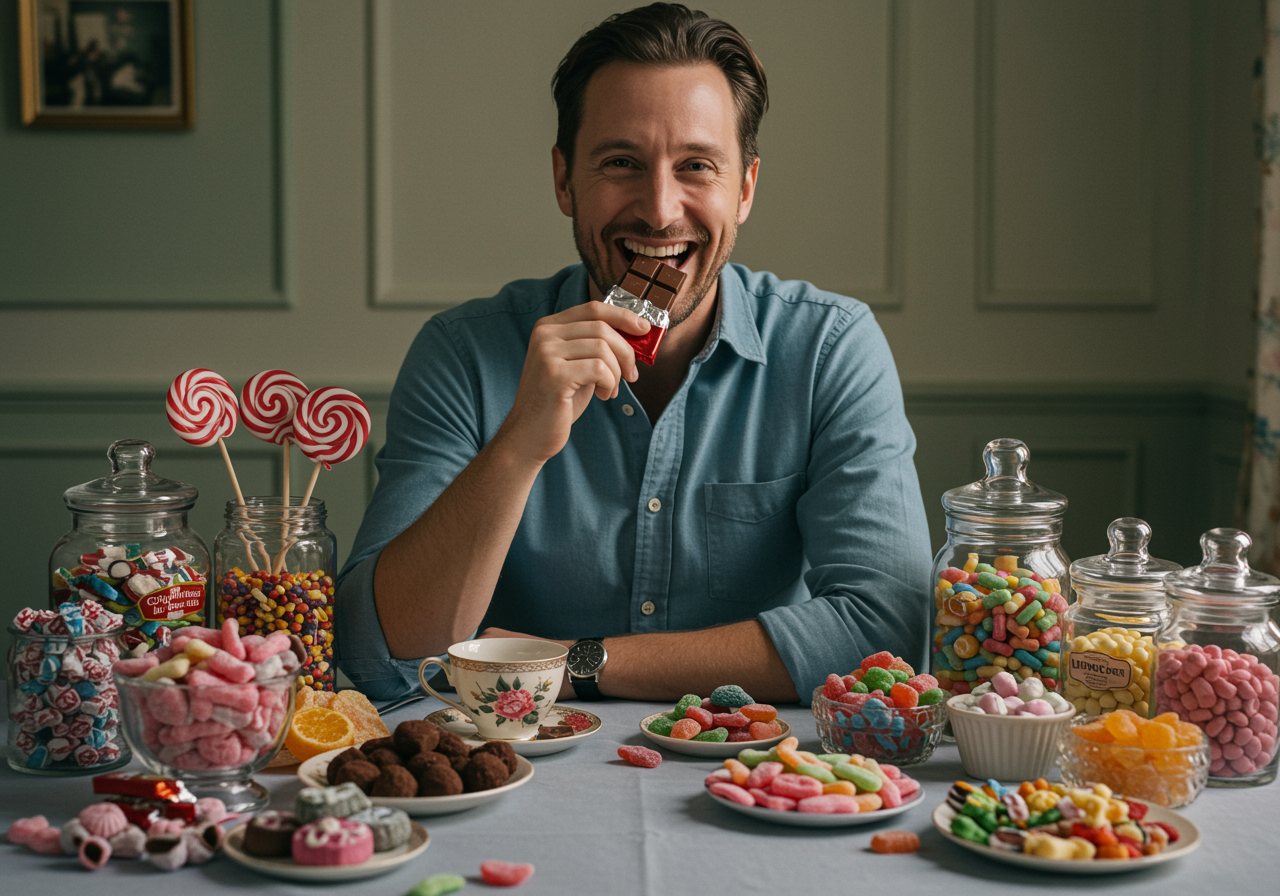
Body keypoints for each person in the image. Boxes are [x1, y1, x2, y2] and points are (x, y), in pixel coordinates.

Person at [335, 3, 932, 703]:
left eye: (696, 167)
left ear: (744, 190)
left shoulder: (830, 348)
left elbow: (888, 630)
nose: (658, 209)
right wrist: (522, 443)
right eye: (621, 162)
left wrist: (570, 662)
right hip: (515, 773)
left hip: (754, 772)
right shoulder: (464, 353)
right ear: (564, 180)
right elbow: (379, 653)